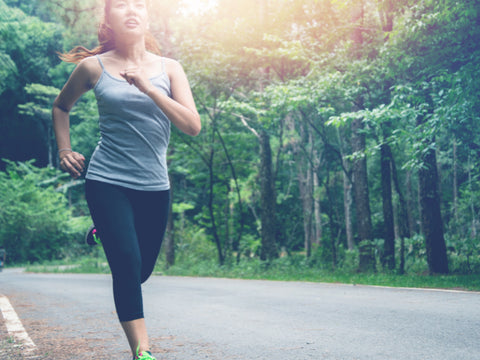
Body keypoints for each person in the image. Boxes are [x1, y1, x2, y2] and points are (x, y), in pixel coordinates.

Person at [52, 0, 201, 358]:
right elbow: (61, 107)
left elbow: (192, 127)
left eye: (139, 4)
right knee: (127, 265)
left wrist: (149, 88)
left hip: (153, 185)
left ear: (147, 15)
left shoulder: (169, 69)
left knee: (140, 270)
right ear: (109, 19)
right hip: (107, 180)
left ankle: (104, 230)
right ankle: (142, 352)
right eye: (121, 4)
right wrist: (64, 149)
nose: (131, 9)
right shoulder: (94, 67)